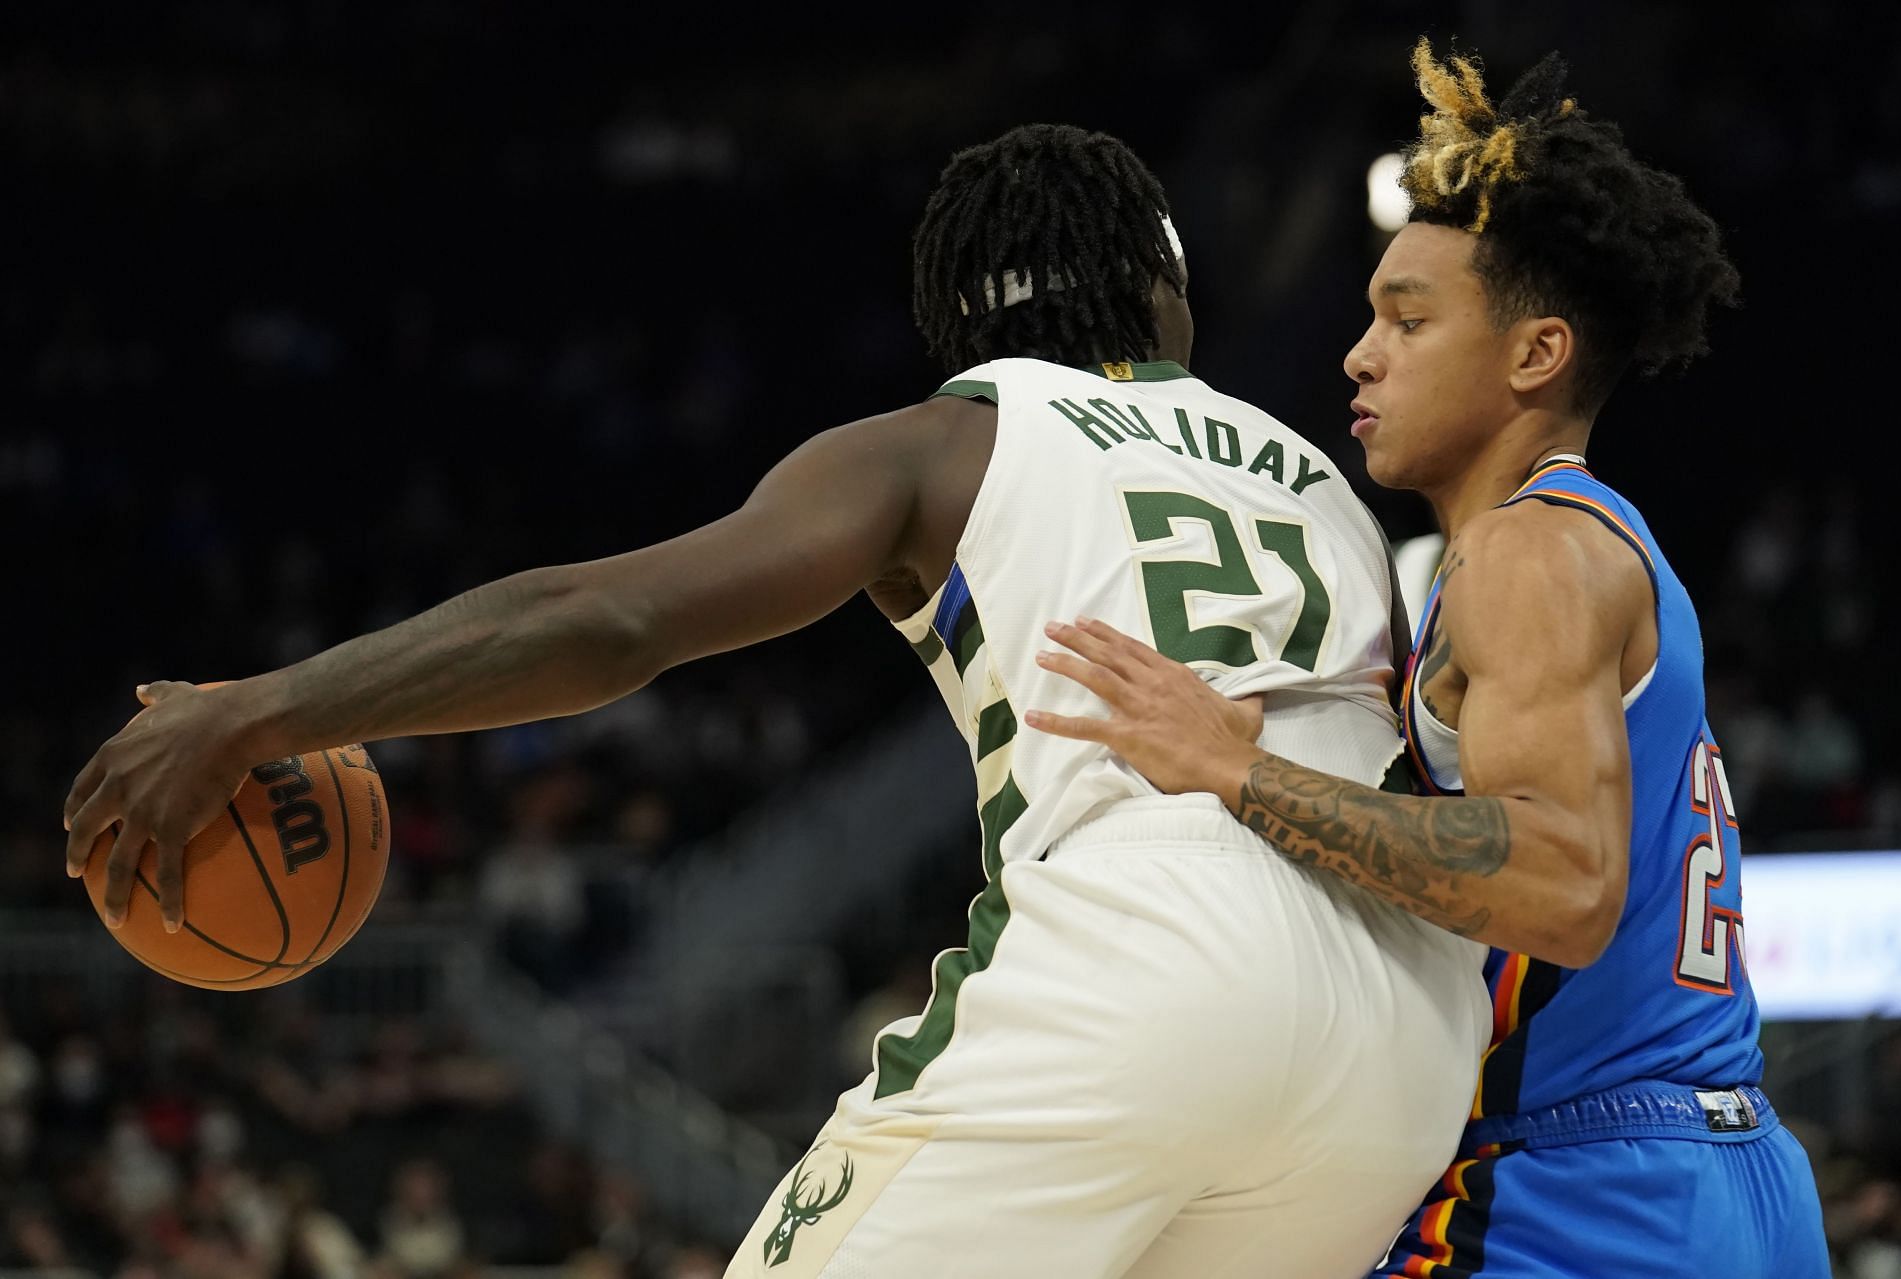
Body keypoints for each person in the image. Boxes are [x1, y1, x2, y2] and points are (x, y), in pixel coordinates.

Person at [62, 123, 1488, 1277]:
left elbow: (606, 618)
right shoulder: (1323, 478)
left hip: (1160, 948)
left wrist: (258, 711)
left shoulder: (952, 436)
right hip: (1406, 1040)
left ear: (959, 333)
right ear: (1166, 292)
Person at [1026, 41, 1828, 1277]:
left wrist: (1237, 771)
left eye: (1407, 318)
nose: (1360, 353)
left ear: (1534, 355)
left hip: (1579, 1191)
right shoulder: (1597, 547)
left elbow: (1562, 884)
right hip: (1723, 1168)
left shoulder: (1528, 555)